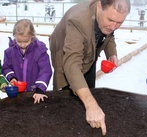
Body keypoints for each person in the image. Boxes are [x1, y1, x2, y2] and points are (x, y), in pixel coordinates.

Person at [49, 0, 131, 135]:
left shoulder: (109, 19)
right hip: (65, 50)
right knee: (68, 91)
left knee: (88, 87)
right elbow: (72, 64)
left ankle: (87, 117)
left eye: (119, 23)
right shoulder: (78, 21)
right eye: (110, 20)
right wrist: (90, 104)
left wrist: (111, 53)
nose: (114, 26)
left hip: (89, 49)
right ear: (99, 7)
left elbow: (109, 34)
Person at [2, 19, 52, 104]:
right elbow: (6, 67)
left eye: (26, 41)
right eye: (19, 41)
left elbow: (45, 71)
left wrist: (40, 89)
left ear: (32, 36)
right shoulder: (10, 51)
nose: (22, 44)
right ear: (15, 36)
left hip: (34, 92)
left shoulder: (40, 51)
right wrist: (12, 77)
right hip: (17, 92)